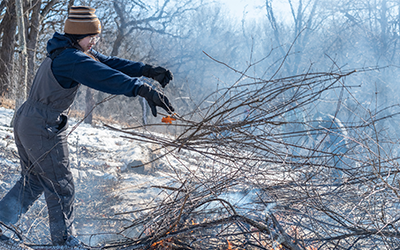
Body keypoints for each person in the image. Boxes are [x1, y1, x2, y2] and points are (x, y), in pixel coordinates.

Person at [0, 6, 174, 247]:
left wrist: (146, 71)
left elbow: (109, 63)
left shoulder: (65, 50)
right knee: (61, 185)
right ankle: (64, 242)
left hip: (27, 120)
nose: (96, 41)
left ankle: (1, 221)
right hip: (42, 124)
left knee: (34, 181)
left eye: (97, 36)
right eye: (92, 36)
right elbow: (104, 76)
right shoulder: (73, 59)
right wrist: (140, 89)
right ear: (79, 35)